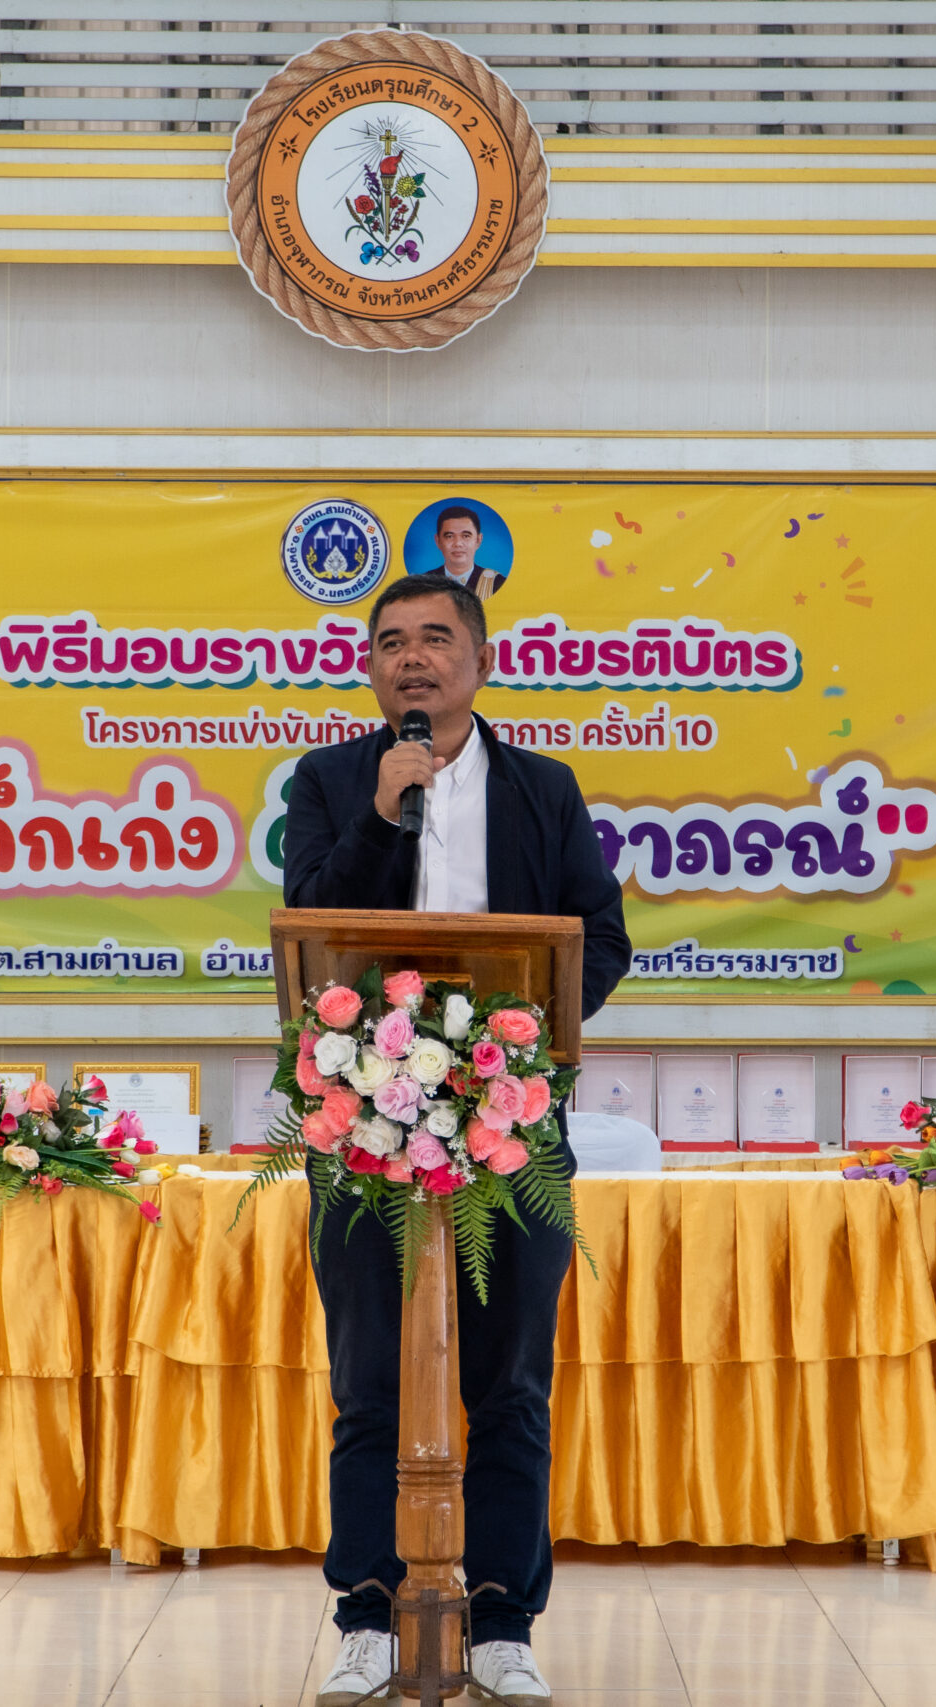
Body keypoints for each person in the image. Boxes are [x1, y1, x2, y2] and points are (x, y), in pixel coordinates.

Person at [284, 571, 629, 1707]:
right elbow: (315, 921)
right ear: (371, 669)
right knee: (367, 1381)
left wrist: (528, 1050)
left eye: (437, 637)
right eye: (391, 642)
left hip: (510, 1119)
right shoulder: (332, 780)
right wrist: (384, 811)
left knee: (511, 1384)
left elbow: (600, 936)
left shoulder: (543, 788)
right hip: (359, 1118)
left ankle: (502, 1622)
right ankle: (366, 1616)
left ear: (482, 660)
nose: (413, 657)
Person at [432, 504, 504, 600]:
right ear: (438, 541)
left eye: (466, 536)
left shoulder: (496, 583)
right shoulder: (424, 583)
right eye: (449, 536)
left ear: (478, 540)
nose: (458, 544)